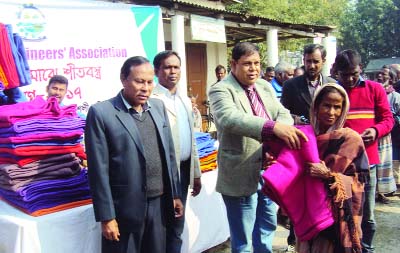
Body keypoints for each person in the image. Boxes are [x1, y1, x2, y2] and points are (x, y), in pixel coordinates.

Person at [208, 41, 308, 253]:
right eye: (247, 64)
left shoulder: (263, 86)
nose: (253, 68)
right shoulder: (221, 90)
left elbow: (282, 113)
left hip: (270, 172)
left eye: (256, 63)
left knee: (266, 229)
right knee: (243, 240)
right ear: (233, 64)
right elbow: (230, 118)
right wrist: (272, 129)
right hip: (240, 172)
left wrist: (279, 134)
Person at [85, 56, 183, 253]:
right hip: (124, 210)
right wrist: (107, 217)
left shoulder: (157, 107)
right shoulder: (102, 113)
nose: (145, 88)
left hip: (159, 204)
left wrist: (174, 194)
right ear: (123, 79)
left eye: (149, 82)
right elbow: (98, 171)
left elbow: (169, 154)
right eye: (139, 81)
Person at [297, 83, 369, 253]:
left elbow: (360, 180)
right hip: (307, 212)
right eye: (326, 105)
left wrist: (329, 176)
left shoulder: (350, 140)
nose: (331, 112)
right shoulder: (304, 137)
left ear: (343, 109)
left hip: (336, 217)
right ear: (316, 106)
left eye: (337, 107)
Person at [334, 49, 394, 253]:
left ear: (360, 69)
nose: (350, 79)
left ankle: (367, 249)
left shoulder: (375, 89)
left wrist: (376, 130)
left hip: (368, 164)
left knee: (367, 214)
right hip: (340, 165)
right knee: (342, 212)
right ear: (336, 72)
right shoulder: (334, 92)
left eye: (354, 73)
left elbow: (388, 119)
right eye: (345, 74)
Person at [151, 50, 202, 253]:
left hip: (182, 173)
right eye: (167, 67)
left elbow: (192, 141)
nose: (173, 72)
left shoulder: (184, 100)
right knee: (161, 228)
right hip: (162, 177)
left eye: (176, 67)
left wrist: (196, 174)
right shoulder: (152, 100)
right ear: (157, 71)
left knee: (176, 228)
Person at [281, 44, 336, 123]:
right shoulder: (290, 85)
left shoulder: (332, 84)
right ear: (304, 61)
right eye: (308, 61)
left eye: (316, 62)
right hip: (301, 133)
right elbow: (283, 113)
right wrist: (296, 119)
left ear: (323, 61)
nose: (311, 66)